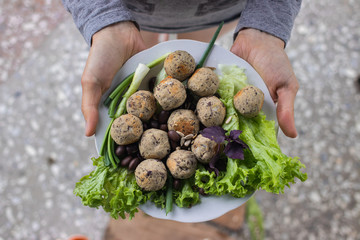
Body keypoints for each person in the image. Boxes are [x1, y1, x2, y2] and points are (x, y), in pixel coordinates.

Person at [62, 0, 301, 139]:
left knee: (191, 49)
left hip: (217, 9)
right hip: (132, 7)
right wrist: (104, 19)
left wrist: (266, 24)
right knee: (147, 52)